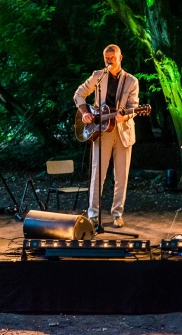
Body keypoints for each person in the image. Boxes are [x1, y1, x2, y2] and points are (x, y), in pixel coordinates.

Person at [74, 44, 139, 228]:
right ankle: (93, 214)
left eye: (113, 58)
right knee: (97, 174)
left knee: (121, 176)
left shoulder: (131, 81)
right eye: (106, 58)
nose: (109, 61)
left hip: (123, 131)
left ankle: (117, 214)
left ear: (120, 58)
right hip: (101, 130)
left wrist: (124, 115)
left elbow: (134, 106)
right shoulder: (98, 76)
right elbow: (79, 94)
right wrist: (85, 112)